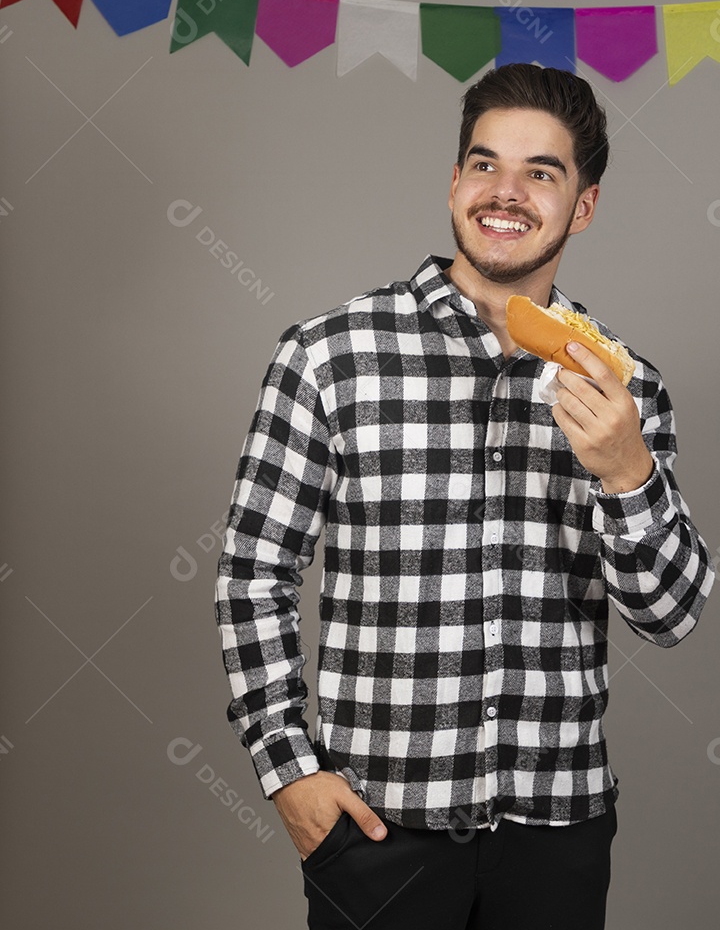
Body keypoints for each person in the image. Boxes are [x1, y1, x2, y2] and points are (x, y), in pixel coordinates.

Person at [214, 63, 714, 930]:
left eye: (541, 173)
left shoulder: (625, 388)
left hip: (558, 830)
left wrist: (627, 471)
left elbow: (670, 617)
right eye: (484, 165)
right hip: (377, 828)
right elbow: (252, 574)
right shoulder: (330, 357)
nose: (505, 193)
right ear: (454, 181)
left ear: (584, 206)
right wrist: (289, 768)